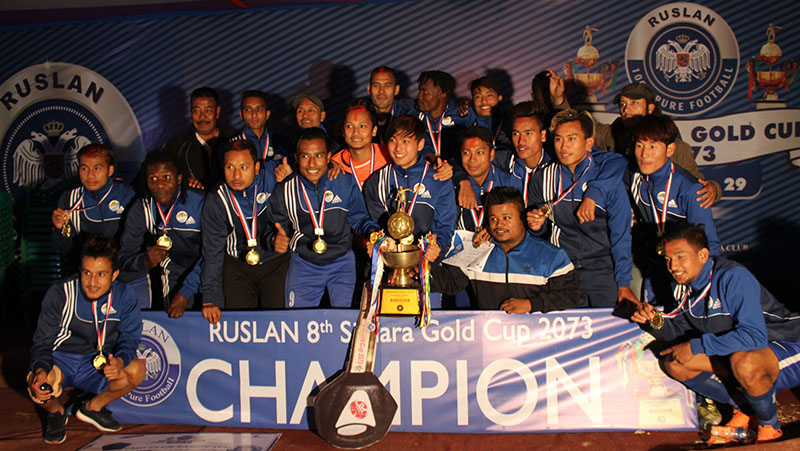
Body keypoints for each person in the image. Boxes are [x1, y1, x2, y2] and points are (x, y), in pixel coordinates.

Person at [630, 223, 800, 444]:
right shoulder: (683, 286)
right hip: (744, 353)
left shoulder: (732, 277)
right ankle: (745, 408)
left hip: (789, 342)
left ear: (702, 255)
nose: (673, 266)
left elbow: (754, 337)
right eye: (669, 260)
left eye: (681, 257)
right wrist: (652, 321)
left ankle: (769, 427)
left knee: (743, 362)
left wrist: (696, 346)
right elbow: (680, 331)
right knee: (676, 362)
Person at [27, 235, 145, 443]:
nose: (92, 282)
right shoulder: (61, 292)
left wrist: (120, 361)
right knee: (37, 386)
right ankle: (56, 412)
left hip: (97, 361)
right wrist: (40, 369)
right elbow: (42, 342)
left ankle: (93, 408)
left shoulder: (125, 294)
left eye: (101, 274)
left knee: (136, 371)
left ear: (114, 274)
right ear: (80, 271)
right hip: (61, 360)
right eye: (87, 273)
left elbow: (131, 337)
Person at [527, 109, 634, 307]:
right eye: (558, 139)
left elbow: (621, 235)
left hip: (602, 270)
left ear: (589, 143)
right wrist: (536, 225)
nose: (564, 146)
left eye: (571, 139)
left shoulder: (607, 179)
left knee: (607, 333)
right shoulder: (543, 178)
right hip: (562, 270)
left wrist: (623, 282)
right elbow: (538, 231)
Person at [265, 128, 380, 308]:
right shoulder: (285, 189)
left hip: (342, 262)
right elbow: (272, 225)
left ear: (328, 157)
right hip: (303, 264)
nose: (312, 164)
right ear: (296, 157)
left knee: (346, 323)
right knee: (298, 324)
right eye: (305, 156)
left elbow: (359, 218)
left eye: (318, 156)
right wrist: (273, 238)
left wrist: (373, 233)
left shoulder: (344, 181)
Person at [427, 187, 581, 312]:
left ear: (522, 218)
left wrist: (531, 304)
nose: (499, 225)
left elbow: (572, 296)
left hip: (536, 343)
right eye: (493, 219)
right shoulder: (478, 251)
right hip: (490, 340)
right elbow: (449, 283)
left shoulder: (551, 256)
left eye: (507, 218)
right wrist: (418, 270)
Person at [363, 115, 457, 308]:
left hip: (425, 268)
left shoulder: (438, 179)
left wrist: (436, 247)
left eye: (406, 141)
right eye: (393, 140)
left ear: (421, 144)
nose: (398, 148)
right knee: (387, 330)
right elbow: (370, 221)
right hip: (386, 268)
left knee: (427, 332)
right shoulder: (376, 181)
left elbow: (446, 225)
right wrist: (375, 240)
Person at [627, 114, 720, 307]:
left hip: (682, 269)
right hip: (653, 264)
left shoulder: (689, 189)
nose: (644, 154)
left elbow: (708, 243)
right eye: (640, 145)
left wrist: (706, 289)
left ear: (670, 149)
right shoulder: (635, 177)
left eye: (653, 146)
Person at [199, 138, 290, 324]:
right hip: (237, 269)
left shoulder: (272, 177)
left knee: (278, 325)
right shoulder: (216, 199)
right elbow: (212, 253)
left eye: (244, 167)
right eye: (230, 167)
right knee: (240, 326)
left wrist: (291, 173)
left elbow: (309, 162)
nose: (236, 175)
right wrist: (209, 297)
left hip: (275, 265)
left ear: (257, 167)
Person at [594, 82, 721, 207]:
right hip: (623, 214)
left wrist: (713, 189)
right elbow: (582, 128)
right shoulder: (612, 134)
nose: (626, 109)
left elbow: (698, 185)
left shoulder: (676, 148)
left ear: (650, 108)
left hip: (659, 217)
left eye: (634, 103)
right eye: (623, 104)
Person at [118, 150, 203, 317]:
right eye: (153, 179)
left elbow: (214, 255)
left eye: (167, 177)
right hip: (175, 270)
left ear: (179, 178)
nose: (160, 184)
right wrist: (145, 260)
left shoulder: (200, 202)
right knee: (174, 319)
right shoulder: (142, 208)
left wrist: (186, 293)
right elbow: (124, 256)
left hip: (207, 268)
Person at [162, 87, 232, 190]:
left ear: (217, 112)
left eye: (208, 110)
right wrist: (182, 182)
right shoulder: (176, 145)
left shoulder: (234, 140)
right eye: (196, 111)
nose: (202, 117)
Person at [455, 126, 521, 232]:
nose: (472, 159)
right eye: (466, 153)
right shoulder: (453, 184)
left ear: (491, 155)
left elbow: (519, 223)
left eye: (479, 152)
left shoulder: (509, 182)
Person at [416, 70, 475, 160]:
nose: (419, 96)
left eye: (425, 92)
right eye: (419, 91)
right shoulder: (414, 116)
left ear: (443, 94)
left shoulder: (464, 114)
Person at [365, 66, 416, 144]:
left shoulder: (409, 118)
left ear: (396, 90)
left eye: (387, 85)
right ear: (369, 89)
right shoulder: (359, 117)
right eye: (376, 85)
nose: (381, 91)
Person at [237, 90, 286, 161]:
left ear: (267, 114)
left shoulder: (282, 142)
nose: (254, 114)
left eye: (259, 109)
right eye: (248, 109)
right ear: (241, 114)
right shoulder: (231, 144)